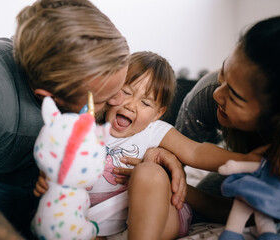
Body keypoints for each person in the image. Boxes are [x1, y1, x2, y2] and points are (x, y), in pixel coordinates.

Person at [34, 51, 262, 239]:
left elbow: (196, 151)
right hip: (97, 225)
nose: (131, 105)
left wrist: (247, 160)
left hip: (157, 219)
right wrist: (50, 177)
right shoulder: (88, 128)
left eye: (145, 103)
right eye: (125, 92)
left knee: (149, 172)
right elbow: (60, 155)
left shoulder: (154, 131)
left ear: (158, 113)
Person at [0, 0, 130, 238]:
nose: (119, 100)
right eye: (101, 99)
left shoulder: (94, 73)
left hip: (49, 205)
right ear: (50, 97)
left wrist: (161, 153)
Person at [174, 12, 280, 239]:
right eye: (224, 70)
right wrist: (180, 189)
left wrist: (188, 194)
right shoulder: (209, 91)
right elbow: (176, 154)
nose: (218, 94)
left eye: (236, 96)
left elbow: (279, 213)